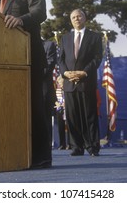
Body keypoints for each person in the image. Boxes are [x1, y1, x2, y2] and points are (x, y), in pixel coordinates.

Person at [0, 0, 51, 168]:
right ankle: (15, 152)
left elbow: (39, 12)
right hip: (5, 62)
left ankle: (42, 156)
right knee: (10, 107)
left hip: (30, 58)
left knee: (35, 105)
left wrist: (21, 20)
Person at [59, 9, 102, 156]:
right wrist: (65, 73)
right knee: (72, 117)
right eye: (73, 17)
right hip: (69, 83)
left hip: (86, 82)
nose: (76, 19)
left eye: (79, 16)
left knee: (89, 116)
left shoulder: (95, 37)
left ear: (85, 17)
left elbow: (97, 58)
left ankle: (92, 147)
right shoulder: (64, 38)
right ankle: (76, 147)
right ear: (71, 20)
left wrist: (84, 73)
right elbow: (61, 59)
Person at [42, 39, 57, 147]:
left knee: (45, 119)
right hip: (24, 89)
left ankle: (46, 147)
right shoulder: (21, 42)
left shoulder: (49, 45)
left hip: (43, 89)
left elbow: (50, 64)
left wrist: (30, 73)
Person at [55, 75, 70, 150]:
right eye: (58, 83)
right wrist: (56, 103)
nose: (59, 84)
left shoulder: (68, 90)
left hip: (68, 110)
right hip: (59, 110)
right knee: (60, 128)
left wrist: (66, 103)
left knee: (69, 128)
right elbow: (55, 99)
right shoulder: (57, 90)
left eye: (60, 82)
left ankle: (70, 144)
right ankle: (62, 144)